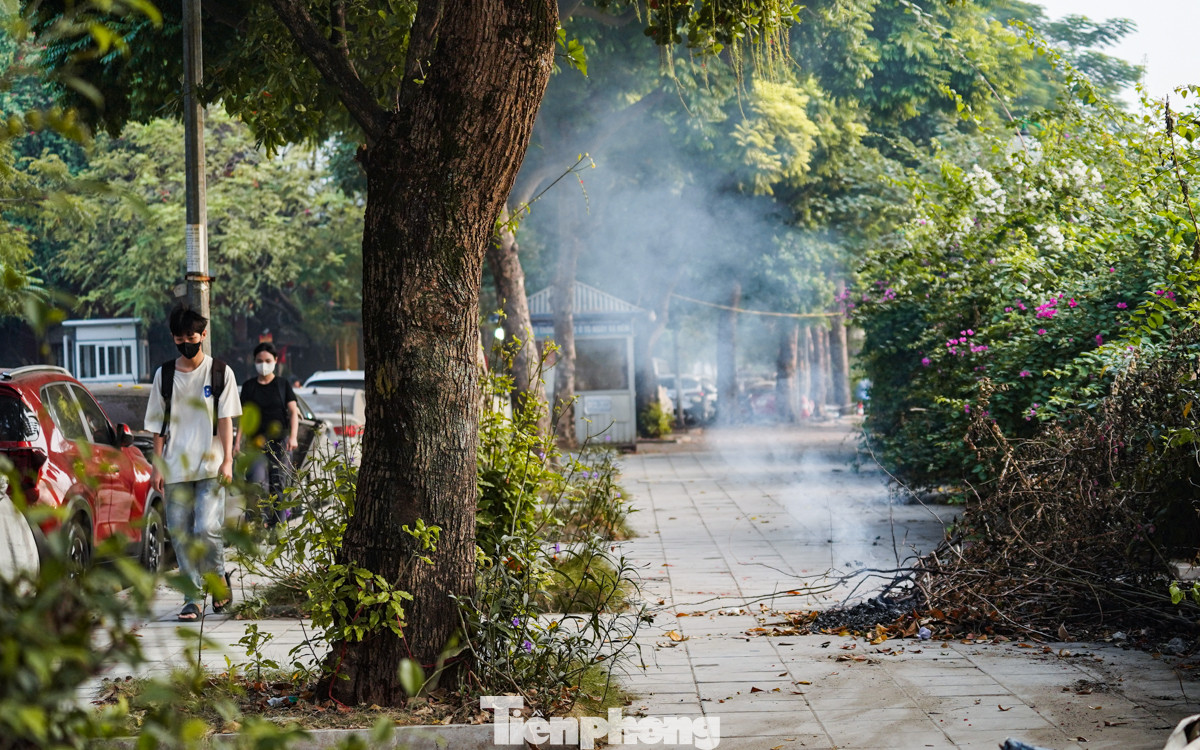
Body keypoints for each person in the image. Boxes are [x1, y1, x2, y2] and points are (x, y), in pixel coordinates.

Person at [145, 305, 242, 622]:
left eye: (192, 335)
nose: (187, 341)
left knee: (207, 528)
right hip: (175, 469)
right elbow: (158, 426)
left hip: (211, 466)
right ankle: (191, 598)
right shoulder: (165, 375)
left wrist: (227, 460)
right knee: (181, 533)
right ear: (174, 339)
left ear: (204, 334)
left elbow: (225, 420)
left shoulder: (220, 373)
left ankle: (217, 581)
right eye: (180, 337)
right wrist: (156, 466)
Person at [237, 342, 299, 529]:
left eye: (267, 360)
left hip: (280, 442)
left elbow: (293, 412)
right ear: (254, 362)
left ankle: (278, 526)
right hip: (255, 444)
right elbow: (243, 416)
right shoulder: (249, 387)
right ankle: (257, 523)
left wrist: (293, 436)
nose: (263, 364)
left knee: (278, 483)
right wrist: (237, 442)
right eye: (259, 361)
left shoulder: (282, 385)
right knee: (255, 483)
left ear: (275, 361)